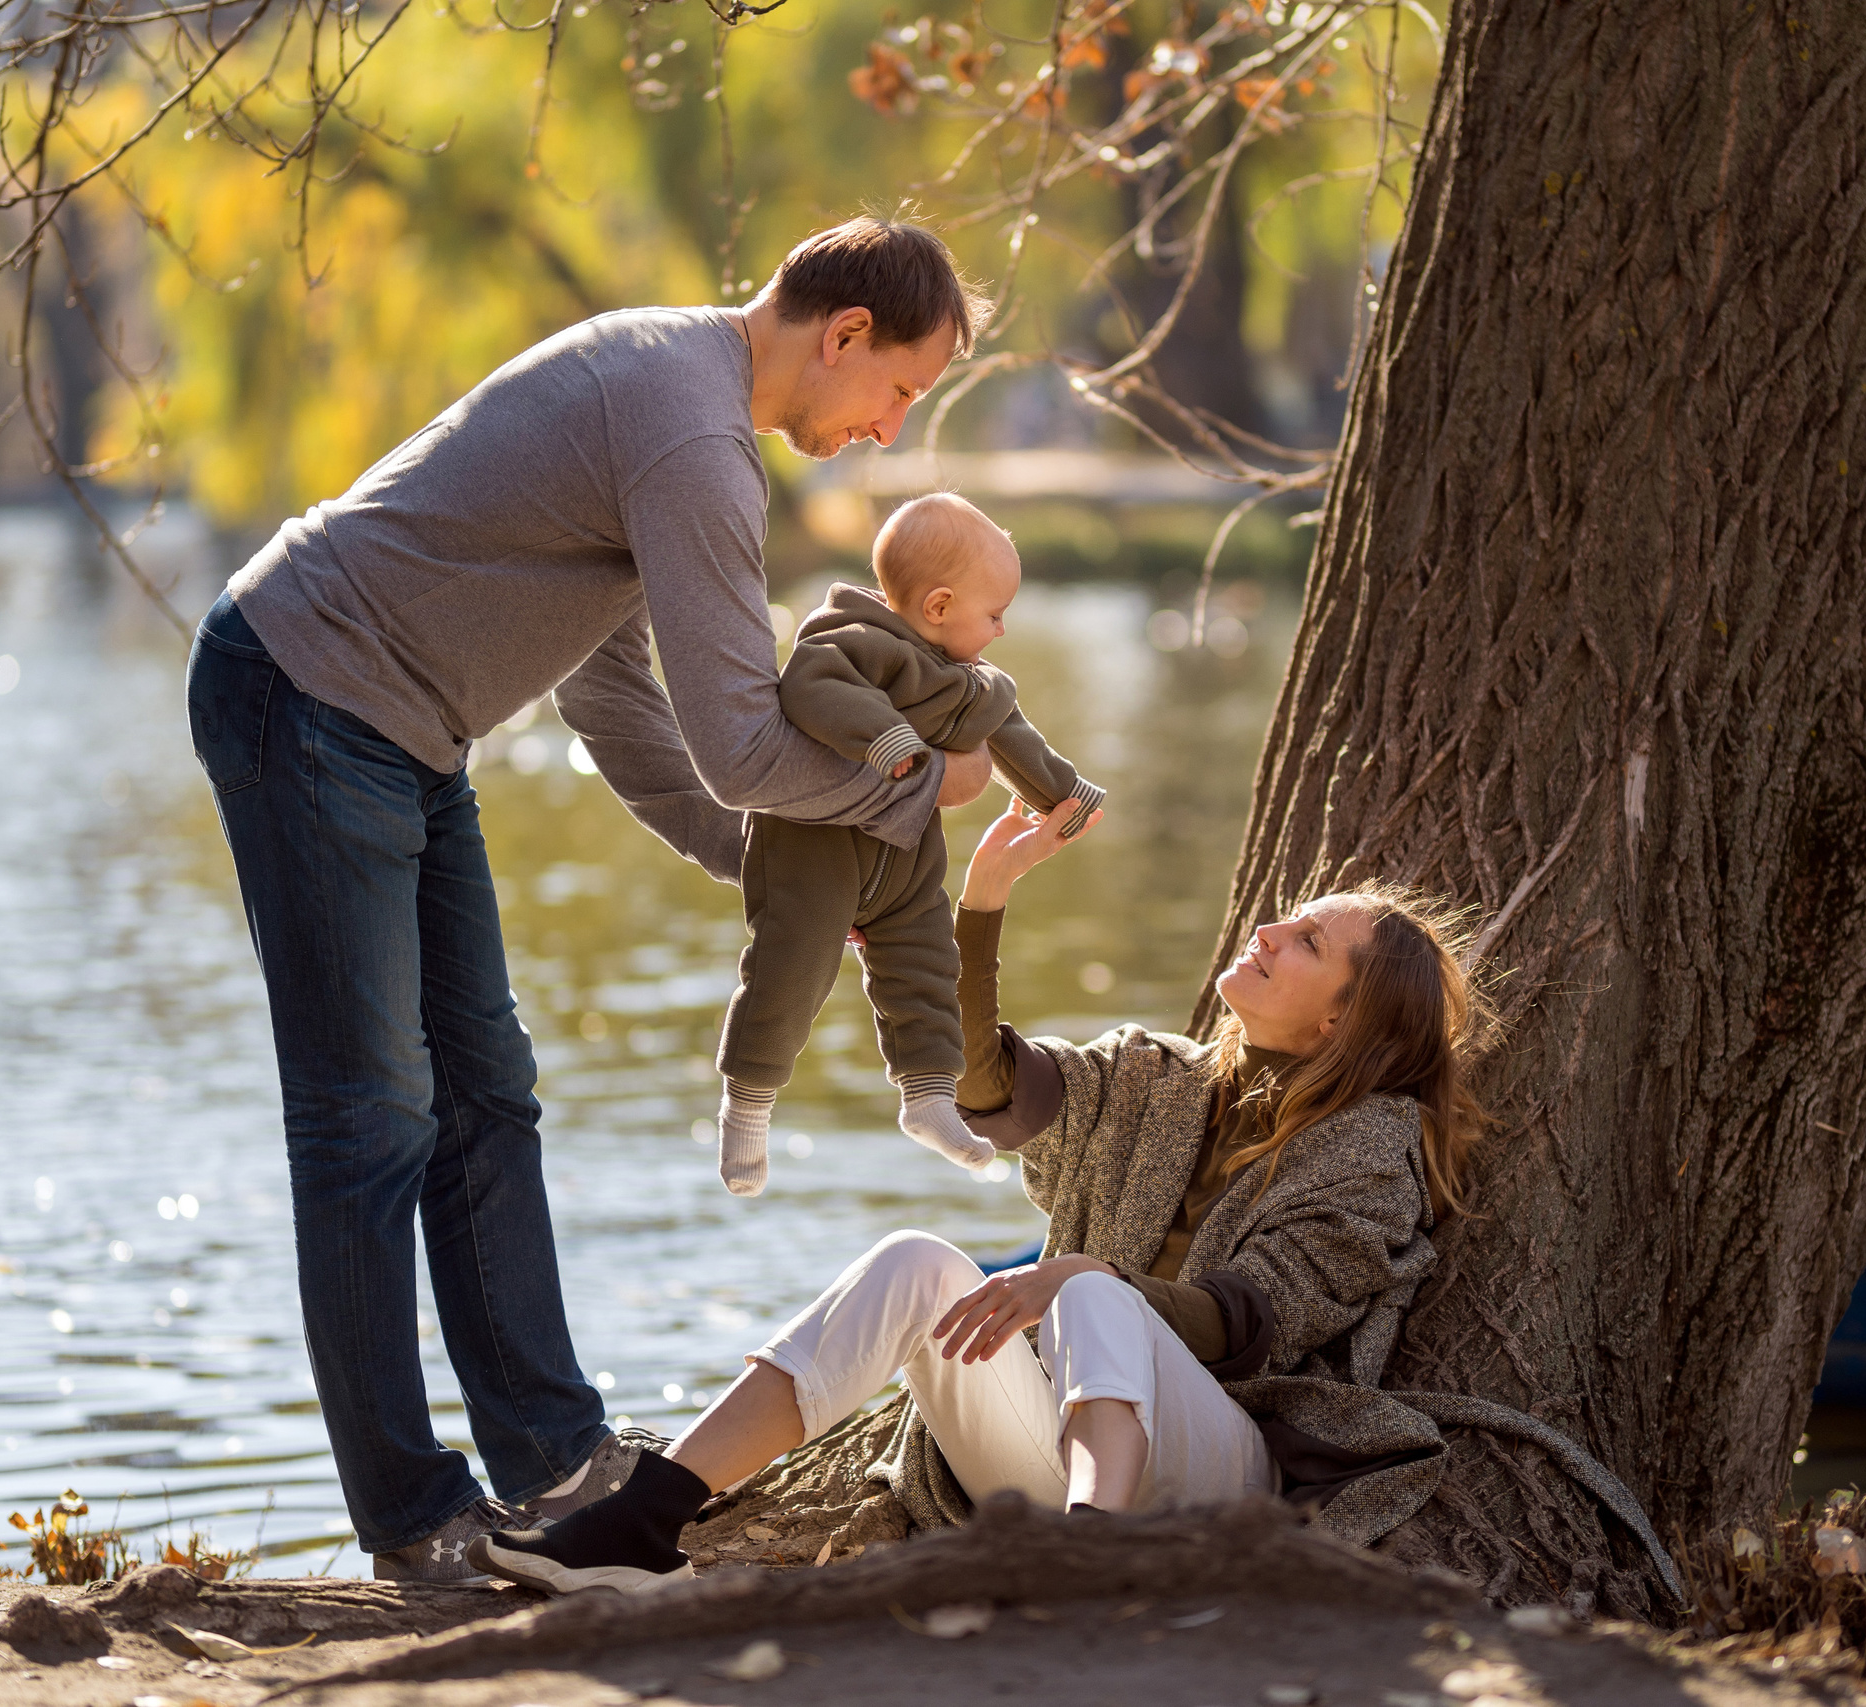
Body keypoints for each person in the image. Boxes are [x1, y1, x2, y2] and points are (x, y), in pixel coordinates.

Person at [183, 217, 998, 1581]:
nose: (886, 429)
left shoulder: (676, 396)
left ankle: (554, 1456)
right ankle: (410, 1516)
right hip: (304, 690)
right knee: (369, 1115)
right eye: (900, 391)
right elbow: (743, 744)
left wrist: (784, 872)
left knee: (486, 1089)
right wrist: (914, 801)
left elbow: (617, 702)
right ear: (845, 333)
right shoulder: (691, 441)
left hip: (403, 732)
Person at [468, 795, 1493, 1595]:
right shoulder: (1159, 1077)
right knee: (917, 1259)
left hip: (1215, 1469)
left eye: (1308, 943)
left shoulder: (1369, 1148)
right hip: (1048, 1451)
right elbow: (983, 1085)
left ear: (1338, 1026)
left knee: (1098, 1296)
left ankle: (1083, 1565)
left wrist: (1088, 1277)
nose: (1268, 930)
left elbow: (1261, 1321)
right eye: (1289, 922)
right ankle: (640, 1524)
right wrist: (983, 901)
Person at [713, 493, 1105, 1196]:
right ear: (939, 606)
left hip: (902, 855)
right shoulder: (852, 639)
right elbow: (812, 687)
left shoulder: (972, 682)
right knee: (790, 968)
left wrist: (1066, 799)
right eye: (994, 614)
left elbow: (1017, 739)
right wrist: (888, 739)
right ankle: (748, 1102)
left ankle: (927, 1096)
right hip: (815, 846)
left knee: (926, 960)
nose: (1003, 628)